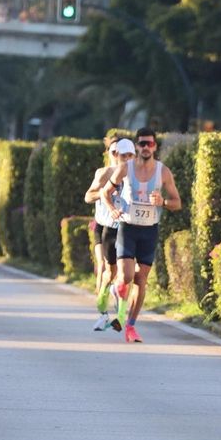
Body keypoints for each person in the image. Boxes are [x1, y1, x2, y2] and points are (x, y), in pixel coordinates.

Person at [100, 129, 181, 343]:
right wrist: (111, 209)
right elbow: (105, 192)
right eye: (142, 144)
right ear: (137, 146)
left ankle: (131, 326)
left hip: (149, 230)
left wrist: (162, 202)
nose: (146, 147)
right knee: (126, 276)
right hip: (128, 227)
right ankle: (118, 293)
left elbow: (177, 202)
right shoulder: (125, 169)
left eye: (150, 144)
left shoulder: (163, 172)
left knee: (141, 280)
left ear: (155, 147)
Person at [83, 135, 127, 332]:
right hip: (103, 225)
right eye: (114, 151)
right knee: (102, 266)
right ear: (108, 153)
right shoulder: (103, 173)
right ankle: (101, 312)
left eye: (122, 152)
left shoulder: (130, 174)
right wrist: (104, 192)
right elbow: (88, 196)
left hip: (123, 226)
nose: (117, 155)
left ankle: (117, 305)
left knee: (121, 272)